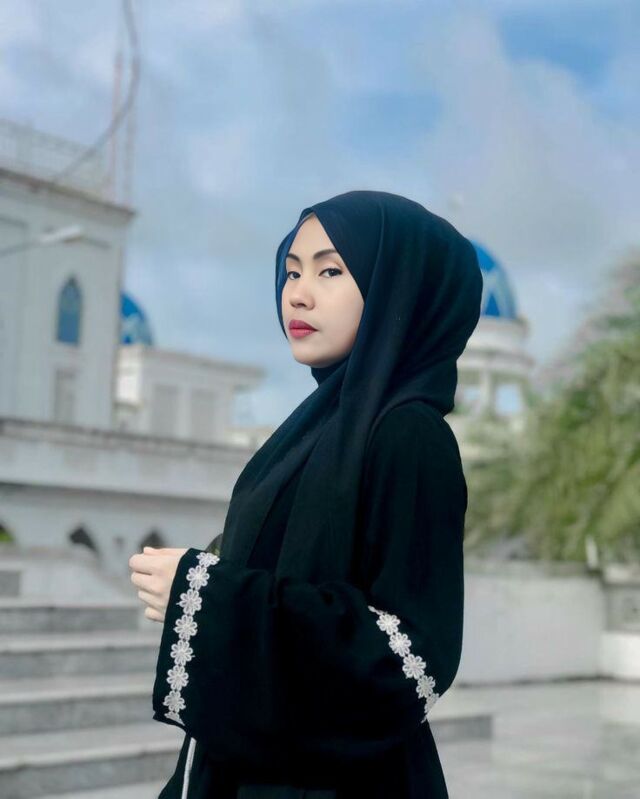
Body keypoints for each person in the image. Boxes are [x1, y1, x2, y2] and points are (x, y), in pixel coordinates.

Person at [129, 190, 483, 798]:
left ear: (398, 289)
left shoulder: (407, 435)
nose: (297, 293)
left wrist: (209, 595)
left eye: (330, 271)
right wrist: (212, 575)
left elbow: (411, 657)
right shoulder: (315, 430)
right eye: (292, 272)